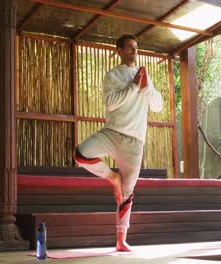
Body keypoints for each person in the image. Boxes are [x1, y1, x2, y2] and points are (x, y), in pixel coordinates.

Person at [73, 34, 163, 251]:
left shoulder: (145, 76)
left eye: (136, 47)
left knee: (127, 192)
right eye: (130, 47)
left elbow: (158, 106)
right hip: (112, 133)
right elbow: (111, 104)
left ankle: (121, 240)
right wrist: (133, 86)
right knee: (80, 154)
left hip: (135, 141)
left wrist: (146, 88)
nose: (134, 51)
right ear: (119, 51)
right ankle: (112, 177)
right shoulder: (112, 75)